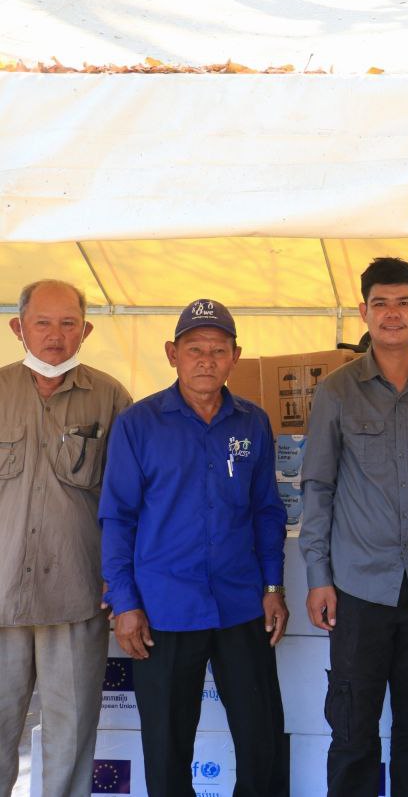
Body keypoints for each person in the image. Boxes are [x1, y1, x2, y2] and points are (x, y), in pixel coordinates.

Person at [299, 257, 408, 797]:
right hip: (358, 589)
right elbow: (318, 486)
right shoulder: (336, 391)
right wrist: (318, 576)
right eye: (381, 303)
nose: (392, 313)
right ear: (363, 311)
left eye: (404, 303)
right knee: (353, 730)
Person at [99, 299, 287, 796]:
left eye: (218, 350)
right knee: (167, 747)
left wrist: (273, 587)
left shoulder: (252, 422)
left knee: (261, 738)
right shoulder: (138, 424)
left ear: (235, 357)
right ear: (172, 354)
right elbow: (117, 517)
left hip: (240, 604)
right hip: (164, 609)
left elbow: (267, 510)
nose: (206, 360)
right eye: (194, 349)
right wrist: (125, 603)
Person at [0, 280, 131, 797]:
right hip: (1, 592)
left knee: (71, 736)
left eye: (68, 323)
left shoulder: (111, 398)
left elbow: (129, 500)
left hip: (77, 594)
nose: (55, 335)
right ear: (19, 327)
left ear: (86, 330)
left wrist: (120, 579)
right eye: (42, 323)